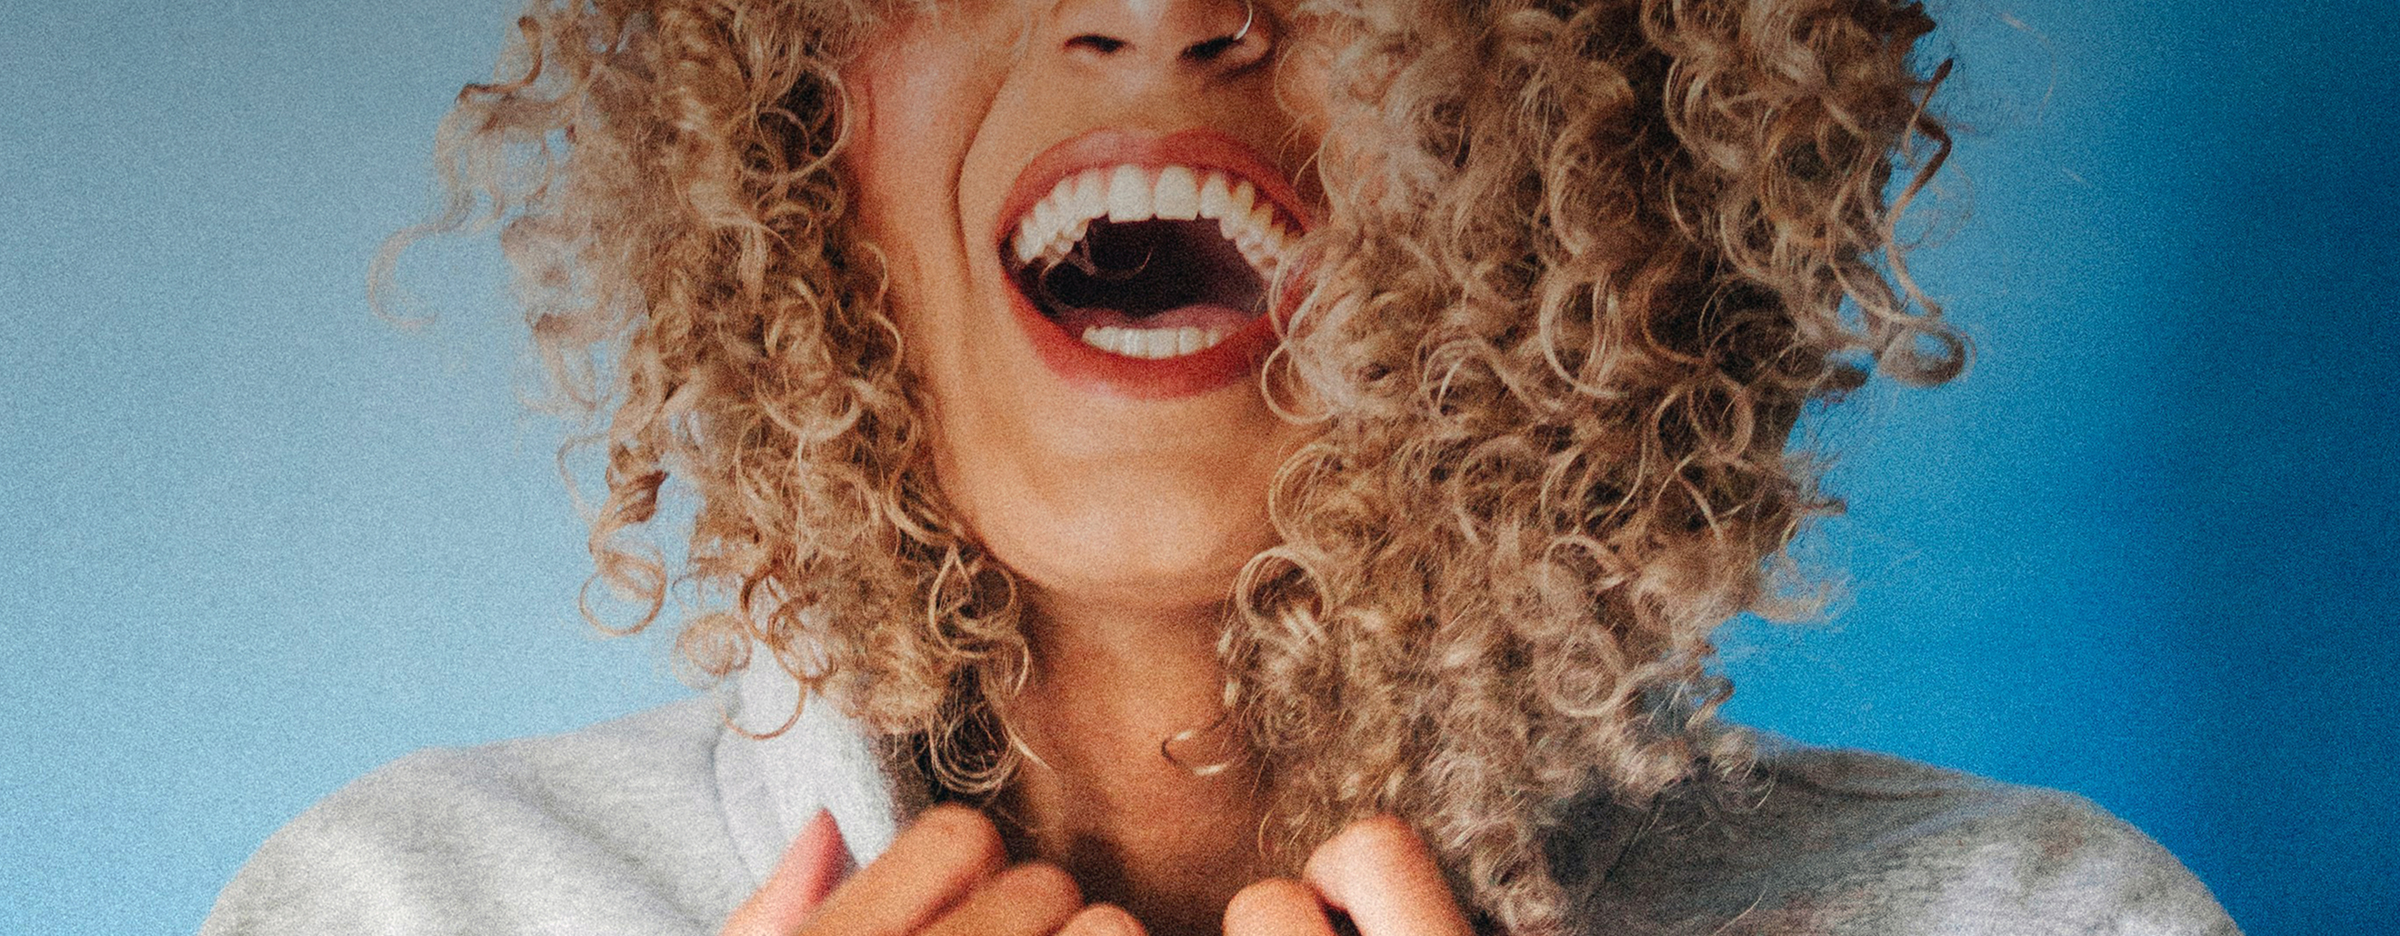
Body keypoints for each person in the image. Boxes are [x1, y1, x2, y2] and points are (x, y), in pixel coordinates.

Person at [206, 0, 2240, 933]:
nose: (1158, 14)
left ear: (1622, 96)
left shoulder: (2029, 925)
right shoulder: (402, 914)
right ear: (782, 114)